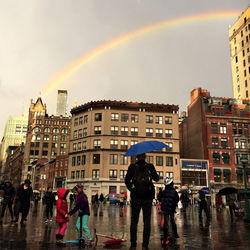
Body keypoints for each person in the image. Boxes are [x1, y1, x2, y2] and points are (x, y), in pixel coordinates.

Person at [125, 153, 159, 250]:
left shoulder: (132, 167)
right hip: (147, 198)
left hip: (135, 198)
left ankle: (133, 245)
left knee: (134, 221)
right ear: (145, 157)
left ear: (136, 157)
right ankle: (145, 245)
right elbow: (156, 178)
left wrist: (133, 188)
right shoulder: (150, 166)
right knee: (147, 221)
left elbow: (127, 180)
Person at [161, 177, 179, 245]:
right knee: (172, 220)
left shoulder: (163, 192)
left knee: (165, 223)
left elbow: (160, 198)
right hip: (171, 209)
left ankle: (165, 238)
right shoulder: (174, 192)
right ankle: (175, 233)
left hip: (165, 209)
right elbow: (177, 199)